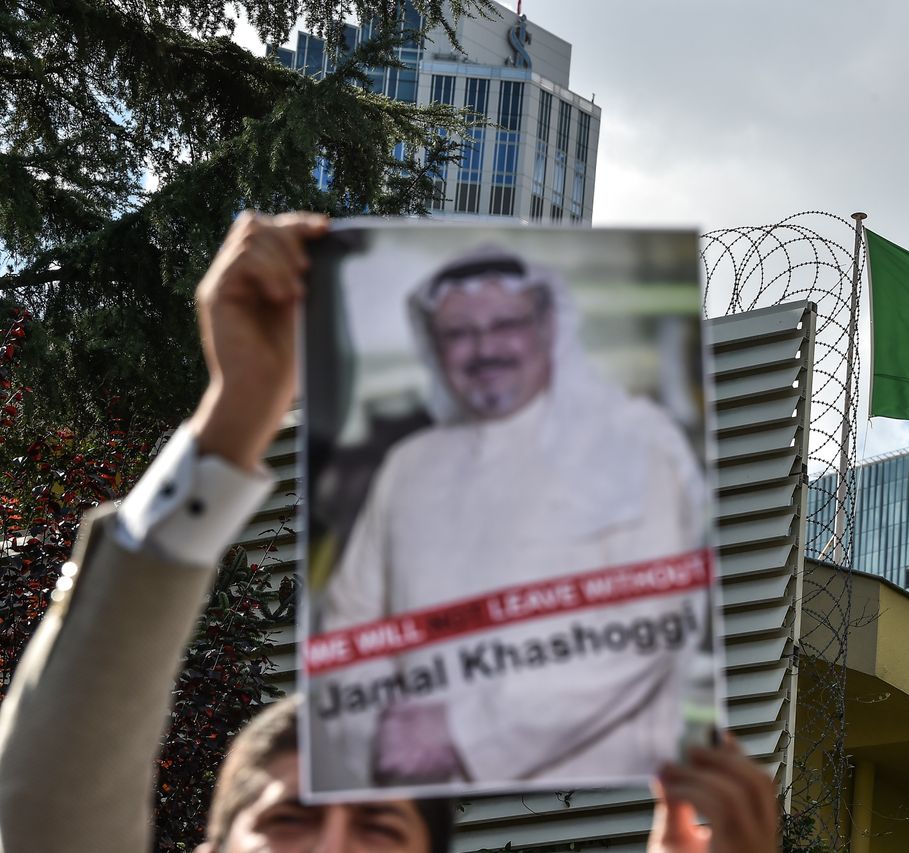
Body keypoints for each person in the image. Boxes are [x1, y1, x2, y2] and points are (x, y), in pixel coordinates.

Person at [0, 212, 779, 853]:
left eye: (378, 827)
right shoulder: (409, 469)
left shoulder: (638, 443)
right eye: (286, 818)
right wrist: (237, 414)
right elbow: (50, 804)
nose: (332, 848)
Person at [314, 243, 711, 790]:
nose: (484, 349)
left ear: (547, 326)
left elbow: (650, 627)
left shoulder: (633, 443)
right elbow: (351, 622)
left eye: (506, 324)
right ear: (435, 346)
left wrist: (462, 732)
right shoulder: (408, 466)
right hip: (418, 796)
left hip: (592, 805)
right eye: (459, 333)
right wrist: (380, 735)